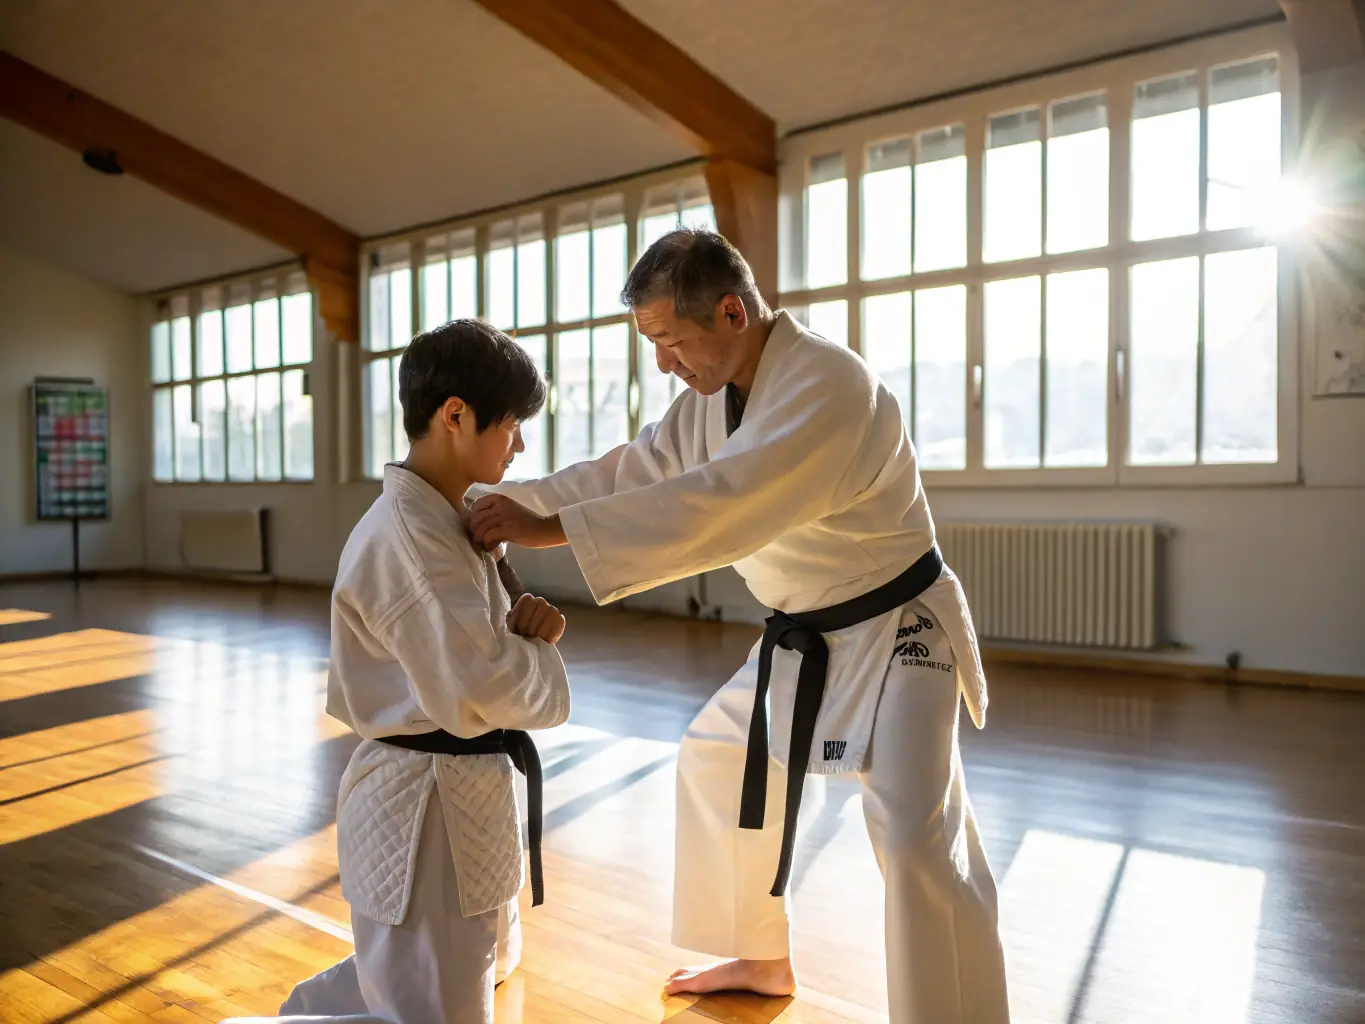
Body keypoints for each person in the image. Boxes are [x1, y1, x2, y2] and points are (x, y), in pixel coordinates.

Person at [468, 230, 1011, 1023]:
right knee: (718, 756)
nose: (663, 363)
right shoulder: (711, 402)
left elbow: (723, 500)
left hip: (897, 628)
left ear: (731, 311)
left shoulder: (829, 385)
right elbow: (638, 470)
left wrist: (548, 529)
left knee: (913, 836)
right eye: (651, 343)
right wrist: (517, 506)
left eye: (669, 341)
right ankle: (758, 955)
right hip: (806, 632)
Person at [226, 319, 571, 1024]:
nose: (521, 445)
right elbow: (483, 687)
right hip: (425, 813)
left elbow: (478, 662)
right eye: (511, 426)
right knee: (422, 1006)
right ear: (455, 415)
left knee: (416, 984)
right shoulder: (413, 538)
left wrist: (516, 636)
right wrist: (537, 652)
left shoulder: (450, 519)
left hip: (451, 797)